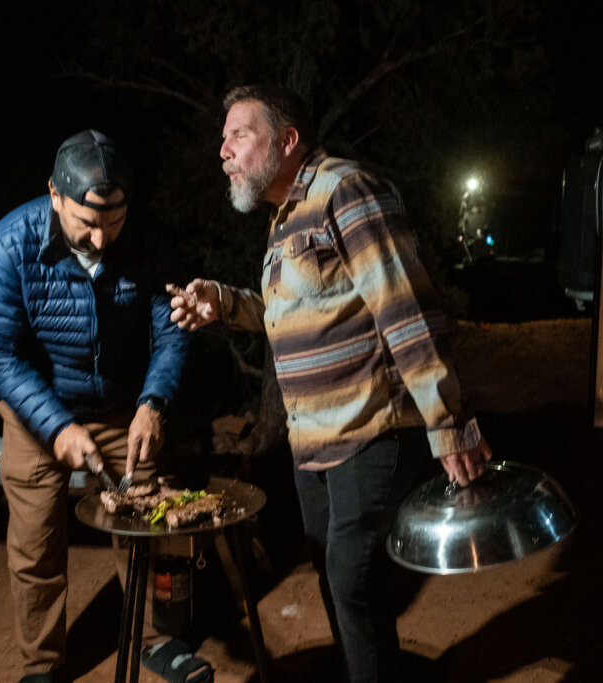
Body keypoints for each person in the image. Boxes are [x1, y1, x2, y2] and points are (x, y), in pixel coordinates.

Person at [168, 85, 492, 682]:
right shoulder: (285, 218)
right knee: (340, 587)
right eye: (224, 138)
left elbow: (406, 308)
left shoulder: (346, 190)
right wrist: (224, 303)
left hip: (373, 434)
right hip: (313, 445)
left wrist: (449, 423)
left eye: (239, 134)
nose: (223, 150)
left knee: (352, 581)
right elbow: (290, 314)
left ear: (287, 140)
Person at [0, 129, 192, 683]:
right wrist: (56, 425)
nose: (100, 238)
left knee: (150, 525)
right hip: (35, 412)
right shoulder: (10, 244)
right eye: (87, 223)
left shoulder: (145, 240)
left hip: (123, 408)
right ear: (54, 194)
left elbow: (173, 332)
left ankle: (160, 640)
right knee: (36, 544)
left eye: (112, 223)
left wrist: (154, 402)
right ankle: (42, 664)